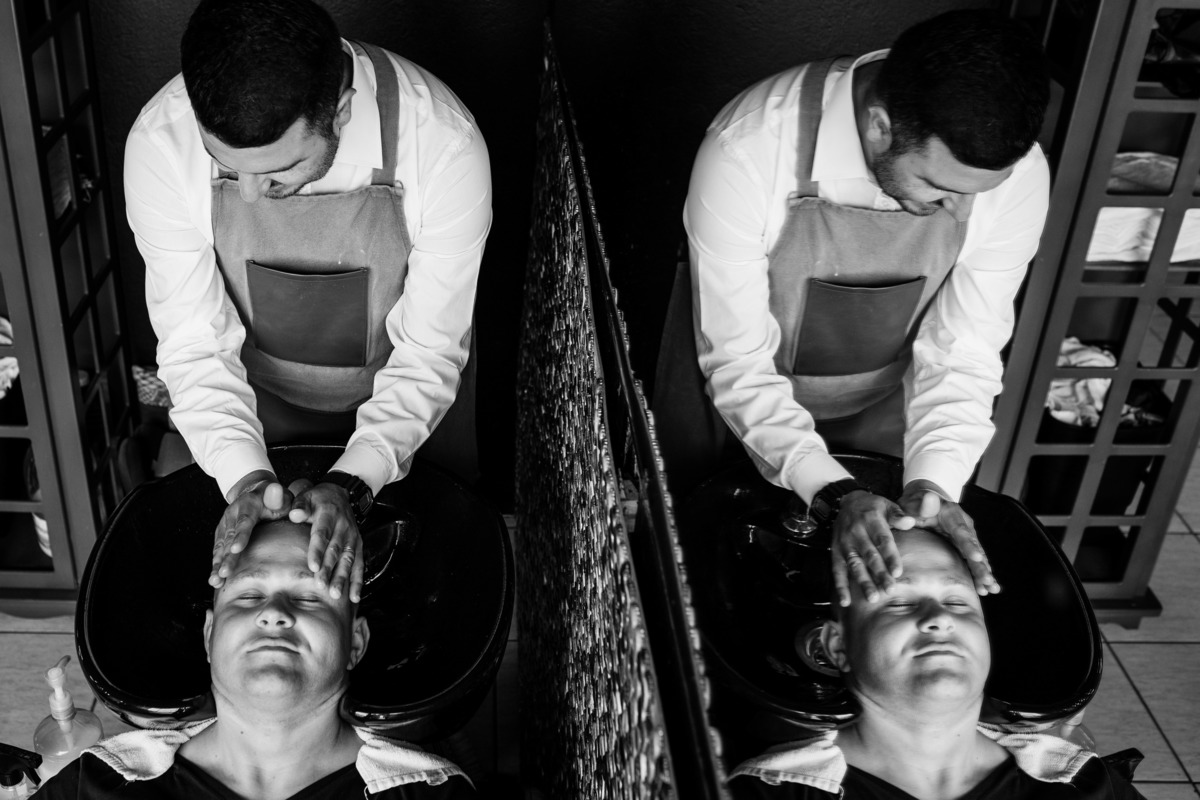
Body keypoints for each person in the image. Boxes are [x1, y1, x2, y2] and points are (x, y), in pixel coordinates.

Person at [654, 10, 1051, 606]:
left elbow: (963, 351)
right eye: (940, 188)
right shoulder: (747, 149)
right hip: (729, 391)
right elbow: (738, 359)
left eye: (976, 194)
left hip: (882, 395)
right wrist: (832, 492)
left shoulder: (1017, 177)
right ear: (880, 126)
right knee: (705, 576)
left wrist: (934, 485)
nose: (960, 211)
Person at [124, 0, 492, 604]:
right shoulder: (160, 144)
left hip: (408, 394)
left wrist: (355, 483)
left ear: (340, 110)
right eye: (225, 165)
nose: (250, 194)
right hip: (254, 395)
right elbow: (194, 342)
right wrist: (247, 479)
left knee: (430, 580)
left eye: (278, 171)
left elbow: (429, 351)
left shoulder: (444, 145)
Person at [36, 517, 476, 798]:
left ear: (355, 643)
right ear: (210, 635)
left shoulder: (430, 794)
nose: (274, 613)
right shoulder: (97, 785)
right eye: (248, 595)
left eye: (310, 597)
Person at [727, 528, 1145, 799]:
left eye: (957, 602)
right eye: (900, 602)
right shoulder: (771, 793)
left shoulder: (1081, 783)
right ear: (838, 647)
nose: (940, 618)